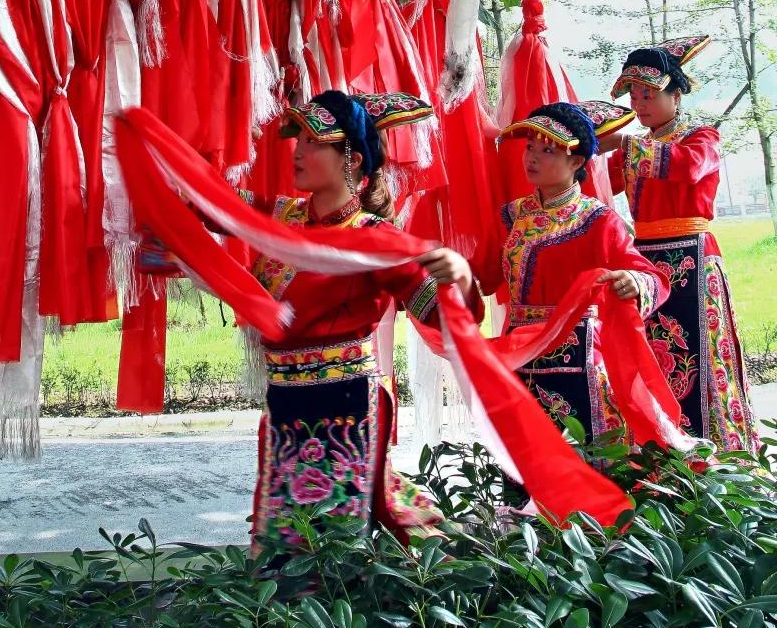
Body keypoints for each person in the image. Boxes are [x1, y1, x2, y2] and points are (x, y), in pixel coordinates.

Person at [250, 89, 477, 547]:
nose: (298, 151)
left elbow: (443, 317)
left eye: (313, 142)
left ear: (350, 159)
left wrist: (464, 280)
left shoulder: (375, 240)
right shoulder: (285, 217)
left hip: (343, 406)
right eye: (300, 140)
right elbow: (217, 205)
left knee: (331, 544)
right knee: (280, 538)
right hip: (283, 403)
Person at [424, 99, 668, 443]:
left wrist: (633, 281)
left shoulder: (598, 220)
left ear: (577, 161)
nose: (532, 157)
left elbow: (652, 277)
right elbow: (483, 276)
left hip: (579, 357)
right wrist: (448, 274)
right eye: (529, 147)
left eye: (548, 150)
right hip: (519, 355)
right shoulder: (510, 217)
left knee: (586, 453)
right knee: (527, 455)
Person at [599, 35, 758, 454]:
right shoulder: (632, 151)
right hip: (643, 266)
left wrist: (625, 144)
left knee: (702, 358)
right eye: (634, 95)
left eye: (649, 94)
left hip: (693, 257)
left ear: (676, 93)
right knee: (649, 355)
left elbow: (688, 170)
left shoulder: (701, 137)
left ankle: (717, 450)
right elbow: (597, 186)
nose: (639, 104)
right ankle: (659, 450)